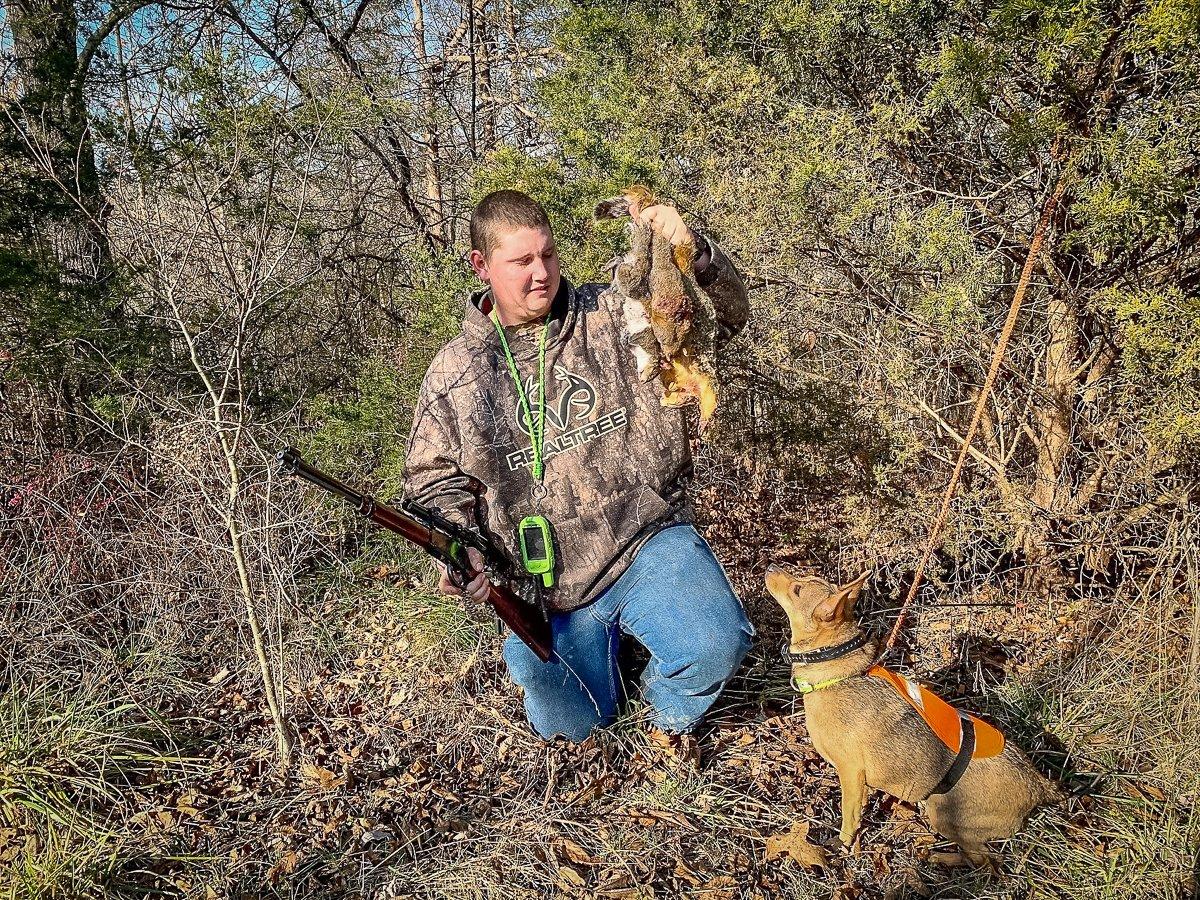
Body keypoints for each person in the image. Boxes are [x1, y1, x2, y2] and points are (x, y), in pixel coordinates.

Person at [403, 189, 753, 744]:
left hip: (644, 538)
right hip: (544, 585)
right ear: (481, 265)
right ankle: (612, 669)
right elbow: (432, 479)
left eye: (547, 255)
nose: (540, 273)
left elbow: (722, 321)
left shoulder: (613, 312)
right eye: (521, 261)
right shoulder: (456, 371)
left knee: (718, 645)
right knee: (572, 730)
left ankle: (661, 721)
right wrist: (461, 545)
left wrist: (696, 256)